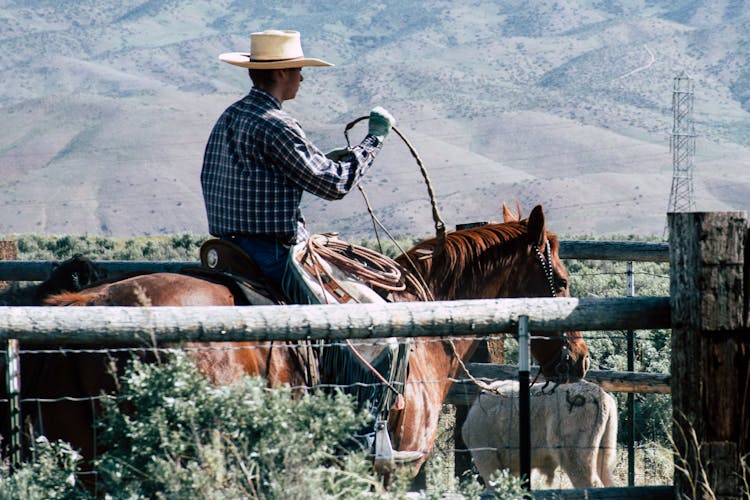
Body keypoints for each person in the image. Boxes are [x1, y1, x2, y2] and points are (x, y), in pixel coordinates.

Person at [201, 29, 395, 294]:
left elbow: (251, 174)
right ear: (281, 72)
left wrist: (321, 161)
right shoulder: (276, 124)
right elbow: (334, 184)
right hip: (272, 253)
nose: (301, 77)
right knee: (348, 318)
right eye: (298, 69)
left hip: (228, 248)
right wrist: (373, 140)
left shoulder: (230, 115)